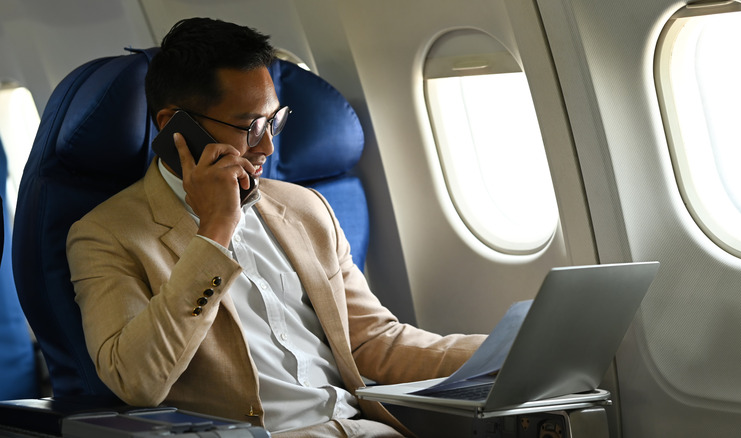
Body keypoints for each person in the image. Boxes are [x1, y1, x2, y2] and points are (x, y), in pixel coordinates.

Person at [66, 17, 485, 437]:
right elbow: (137, 381)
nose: (267, 145)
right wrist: (214, 233)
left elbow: (371, 342)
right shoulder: (106, 235)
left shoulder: (305, 207)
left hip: (365, 429)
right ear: (174, 126)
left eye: (273, 121)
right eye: (250, 126)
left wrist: (506, 352)